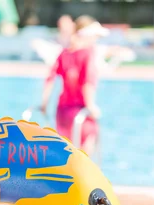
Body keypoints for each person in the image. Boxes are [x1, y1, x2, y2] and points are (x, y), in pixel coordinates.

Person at [40, 15, 105, 156]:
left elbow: (50, 79)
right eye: (95, 37)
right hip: (80, 111)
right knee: (85, 155)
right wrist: (91, 106)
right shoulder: (88, 53)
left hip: (62, 112)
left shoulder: (64, 53)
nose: (96, 41)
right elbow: (87, 82)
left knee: (67, 155)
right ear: (87, 35)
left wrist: (44, 104)